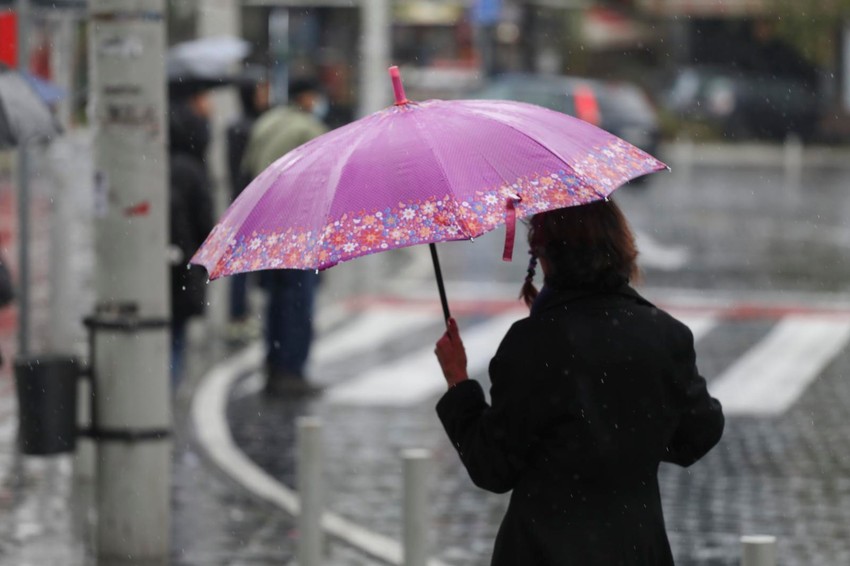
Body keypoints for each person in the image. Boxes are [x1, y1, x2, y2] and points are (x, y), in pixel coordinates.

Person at [434, 199, 724, 565]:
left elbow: (492, 467)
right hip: (634, 550)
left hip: (542, 552)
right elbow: (700, 432)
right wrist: (628, 436)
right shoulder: (664, 335)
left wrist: (459, 383)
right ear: (620, 247)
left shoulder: (532, 343)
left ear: (546, 259)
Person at [241, 78, 329, 396]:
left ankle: (275, 364)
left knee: (276, 299)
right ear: (306, 98)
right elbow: (325, 180)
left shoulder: (266, 122)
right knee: (298, 301)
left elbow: (248, 167)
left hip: (264, 224)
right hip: (297, 226)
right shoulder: (308, 129)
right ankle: (292, 370)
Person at [168, 86, 215, 387]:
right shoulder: (193, 172)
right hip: (183, 268)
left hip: (158, 267)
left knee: (161, 334)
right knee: (176, 337)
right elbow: (205, 225)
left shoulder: (157, 164)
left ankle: (159, 395)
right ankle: (167, 394)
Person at [225, 66, 270, 343]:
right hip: (249, 202)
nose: (265, 95)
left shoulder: (247, 124)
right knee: (242, 266)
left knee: (245, 264)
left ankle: (242, 315)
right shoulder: (245, 127)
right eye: (261, 90)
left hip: (247, 200)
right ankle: (238, 316)